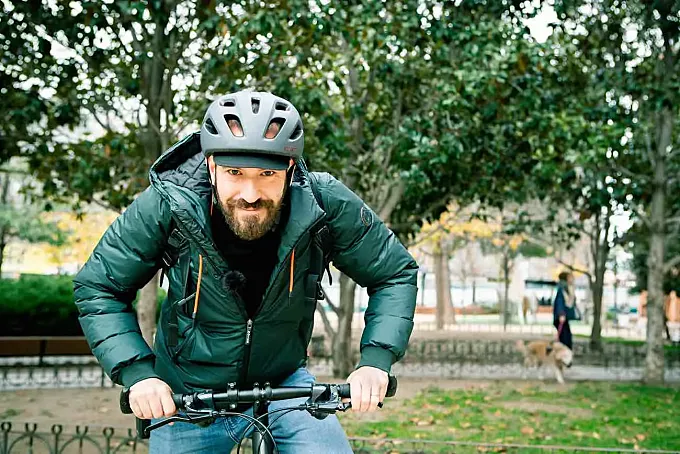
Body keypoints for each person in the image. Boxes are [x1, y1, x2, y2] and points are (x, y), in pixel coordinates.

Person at [73, 91, 418, 453]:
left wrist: (375, 363)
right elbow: (99, 287)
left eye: (267, 174)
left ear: (288, 169)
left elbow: (394, 272)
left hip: (285, 384)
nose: (250, 194)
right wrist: (138, 375)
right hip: (189, 395)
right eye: (235, 173)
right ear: (211, 166)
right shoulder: (169, 204)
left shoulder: (323, 202)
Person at [553, 271, 576, 349]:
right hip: (561, 317)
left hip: (564, 317)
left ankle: (564, 354)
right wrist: (561, 314)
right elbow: (560, 302)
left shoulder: (567, 288)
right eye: (570, 277)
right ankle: (564, 355)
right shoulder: (562, 288)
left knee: (566, 337)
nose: (572, 279)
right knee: (565, 338)